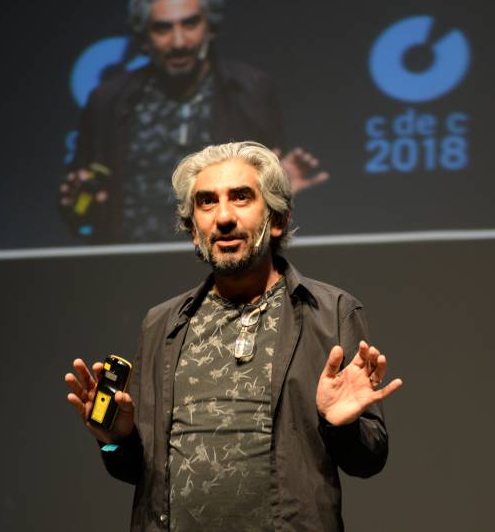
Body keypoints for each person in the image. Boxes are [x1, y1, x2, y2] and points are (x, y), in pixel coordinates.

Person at [65, 142, 402, 531]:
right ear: (193, 230)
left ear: (277, 219)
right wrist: (114, 438)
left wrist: (340, 426)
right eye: (207, 203)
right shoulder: (162, 324)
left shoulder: (330, 312)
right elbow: (133, 471)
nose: (223, 217)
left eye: (241, 197)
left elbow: (368, 460)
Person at [59, 0, 328, 242]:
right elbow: (81, 205)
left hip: (224, 260)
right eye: (163, 28)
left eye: (190, 24)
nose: (178, 42)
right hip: (129, 263)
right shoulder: (108, 101)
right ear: (143, 38)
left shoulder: (249, 90)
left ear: (210, 27)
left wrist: (279, 191)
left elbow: (265, 198)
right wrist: (84, 205)